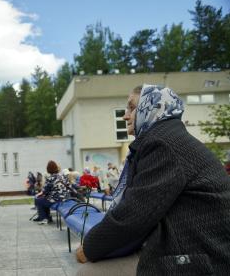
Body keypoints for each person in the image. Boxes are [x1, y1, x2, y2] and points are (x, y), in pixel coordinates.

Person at [76, 85, 230, 275]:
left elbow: (135, 214)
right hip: (194, 247)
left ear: (152, 107)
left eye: (132, 108)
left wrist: (90, 247)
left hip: (200, 259)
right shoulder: (168, 138)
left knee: (88, 273)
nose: (125, 116)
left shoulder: (162, 144)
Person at [33, 160, 68, 225]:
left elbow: (45, 191)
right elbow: (68, 186)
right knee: (44, 200)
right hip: (64, 198)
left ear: (48, 169)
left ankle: (44, 218)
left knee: (38, 200)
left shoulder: (50, 178)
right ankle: (47, 217)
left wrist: (39, 194)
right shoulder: (63, 176)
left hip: (56, 200)